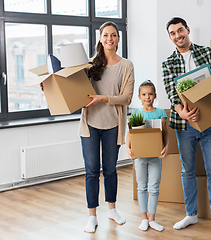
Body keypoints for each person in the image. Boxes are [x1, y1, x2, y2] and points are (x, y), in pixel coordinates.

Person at [161, 17, 211, 237]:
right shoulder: (168, 63)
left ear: (187, 30)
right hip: (184, 126)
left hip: (210, 122)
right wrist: (181, 112)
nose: (178, 35)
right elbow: (171, 92)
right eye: (173, 33)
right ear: (170, 37)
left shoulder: (207, 53)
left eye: (180, 30)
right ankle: (191, 214)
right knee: (187, 171)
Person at [78, 21, 135, 233]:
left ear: (118, 39)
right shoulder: (89, 65)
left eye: (113, 35)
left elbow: (127, 98)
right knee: (92, 171)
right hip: (90, 125)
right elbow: (72, 89)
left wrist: (103, 98)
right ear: (100, 39)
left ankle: (112, 209)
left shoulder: (126, 65)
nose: (109, 39)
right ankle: (92, 215)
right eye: (105, 35)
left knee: (110, 170)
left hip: (112, 125)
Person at [126, 80, 169, 232]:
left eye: (150, 94)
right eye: (144, 94)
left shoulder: (160, 113)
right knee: (142, 187)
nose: (147, 97)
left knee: (154, 187)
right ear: (139, 96)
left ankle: (152, 219)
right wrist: (128, 148)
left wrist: (166, 146)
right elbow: (130, 133)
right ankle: (144, 218)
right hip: (140, 157)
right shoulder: (137, 113)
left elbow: (164, 133)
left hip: (156, 155)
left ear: (155, 96)